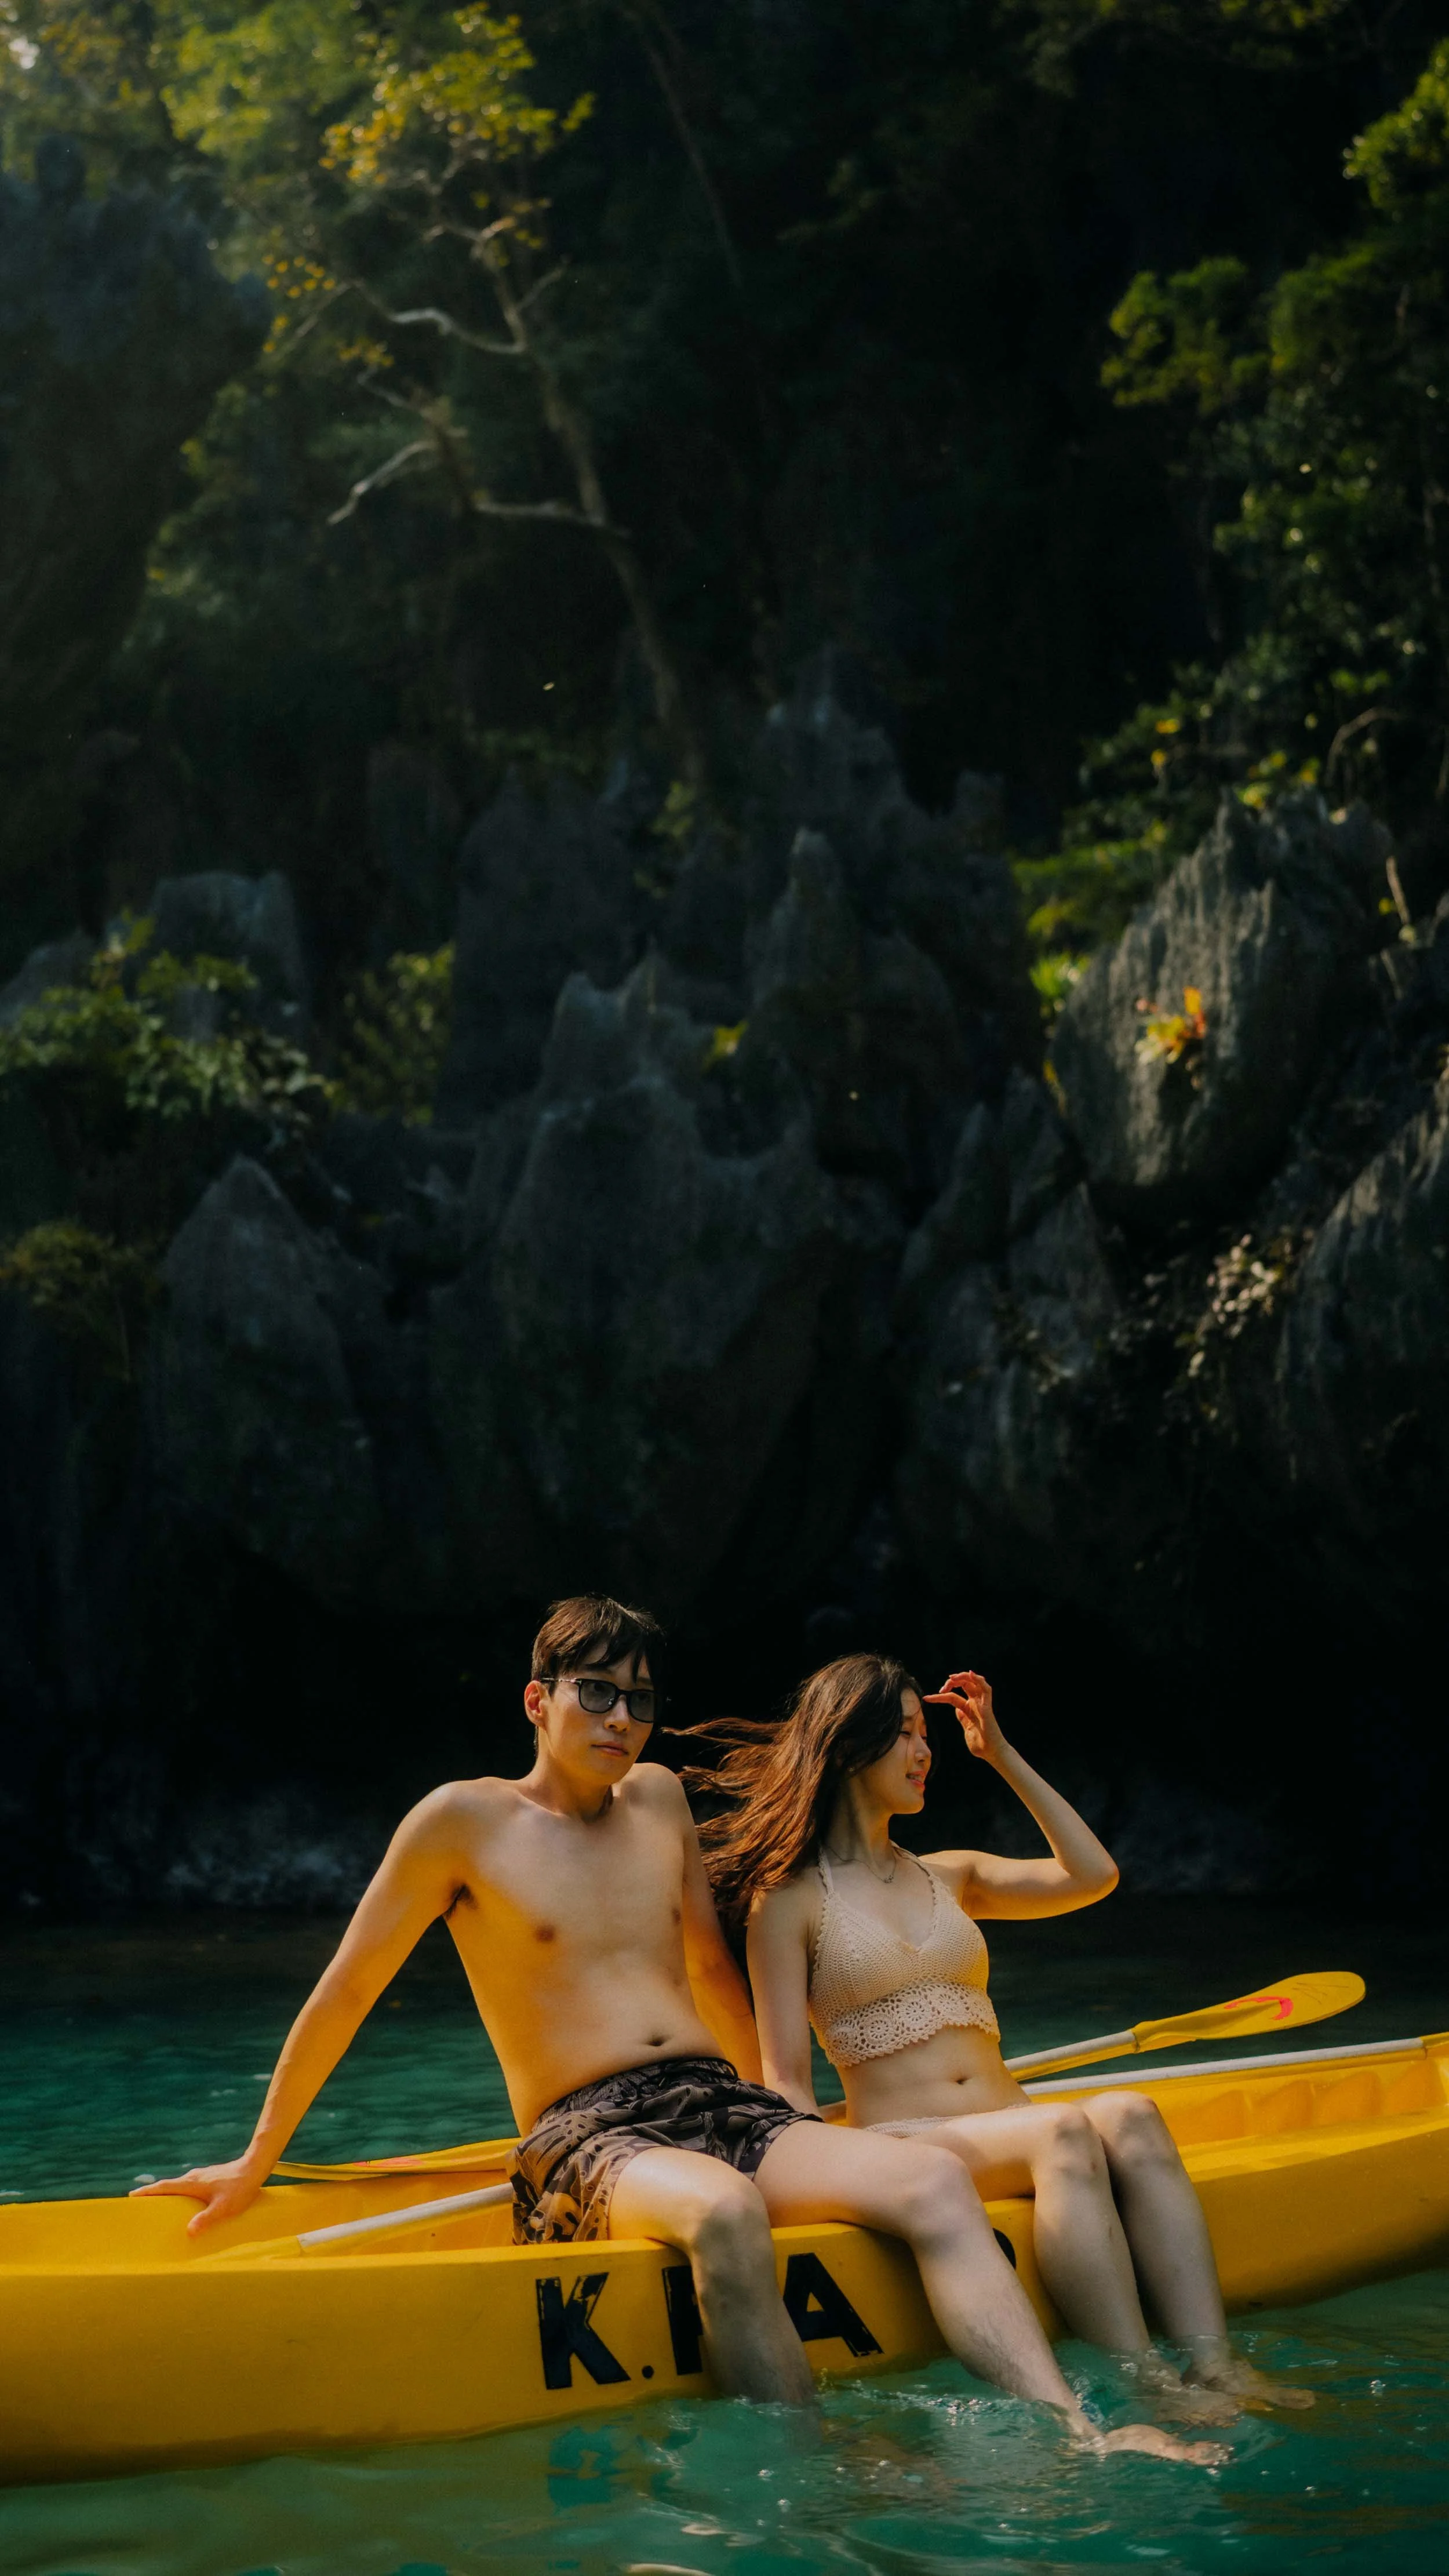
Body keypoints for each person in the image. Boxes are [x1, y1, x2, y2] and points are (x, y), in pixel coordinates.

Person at [135, 1597, 1217, 2460]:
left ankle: (1075, 2432)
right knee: (728, 2213)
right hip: (588, 2134)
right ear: (537, 1700)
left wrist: (792, 2106)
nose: (621, 1719)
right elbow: (345, 1993)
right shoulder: (458, 1823)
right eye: (596, 1694)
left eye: (639, 1701)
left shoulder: (658, 1802)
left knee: (932, 2185)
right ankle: (816, 2470)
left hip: (721, 2099)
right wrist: (257, 2159)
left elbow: (710, 1965)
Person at [716, 1653, 1313, 2425]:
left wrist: (999, 1752)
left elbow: (1092, 1875)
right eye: (905, 1735)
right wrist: (805, 2186)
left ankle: (1214, 2365)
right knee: (1065, 2130)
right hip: (915, 2142)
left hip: (1011, 2120)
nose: (925, 1753)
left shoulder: (949, 1874)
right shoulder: (788, 1899)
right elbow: (786, 2080)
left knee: (1131, 2112)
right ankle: (1146, 2386)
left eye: (925, 1734)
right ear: (849, 1747)